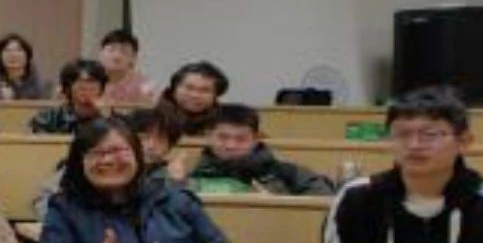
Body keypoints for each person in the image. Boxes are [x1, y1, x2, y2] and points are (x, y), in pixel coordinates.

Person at [324, 86, 483, 243]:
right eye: (402, 134)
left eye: (430, 135)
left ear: (464, 141)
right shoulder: (356, 198)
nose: (414, 145)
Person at [40, 117, 227, 243]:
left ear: (137, 154)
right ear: (80, 162)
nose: (108, 160)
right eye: (96, 153)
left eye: (117, 151)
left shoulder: (175, 200)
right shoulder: (65, 207)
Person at [191, 104, 334, 196]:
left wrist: (275, 204)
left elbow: (324, 200)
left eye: (241, 139)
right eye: (223, 137)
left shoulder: (287, 172)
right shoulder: (191, 174)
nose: (231, 145)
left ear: (255, 140)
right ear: (208, 136)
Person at [29, 58, 108, 134]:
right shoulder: (48, 118)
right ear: (68, 89)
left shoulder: (108, 118)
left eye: (92, 87)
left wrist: (102, 116)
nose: (87, 93)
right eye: (82, 87)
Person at [159, 61, 229, 136]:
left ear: (215, 96)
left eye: (205, 90)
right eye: (189, 88)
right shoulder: (153, 116)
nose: (195, 95)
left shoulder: (226, 124)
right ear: (174, 88)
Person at [127, 106, 188, 185]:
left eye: (160, 140)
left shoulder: (169, 174)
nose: (151, 146)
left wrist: (177, 182)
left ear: (170, 145)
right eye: (144, 137)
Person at [98, 29, 158, 108]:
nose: (117, 55)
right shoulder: (92, 80)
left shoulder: (144, 85)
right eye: (111, 50)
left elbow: (148, 106)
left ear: (134, 58)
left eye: (124, 51)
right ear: (101, 54)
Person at [0, 33, 50, 100]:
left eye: (18, 50)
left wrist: (12, 100)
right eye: (7, 50)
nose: (13, 55)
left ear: (27, 56)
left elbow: (43, 105)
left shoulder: (41, 83)